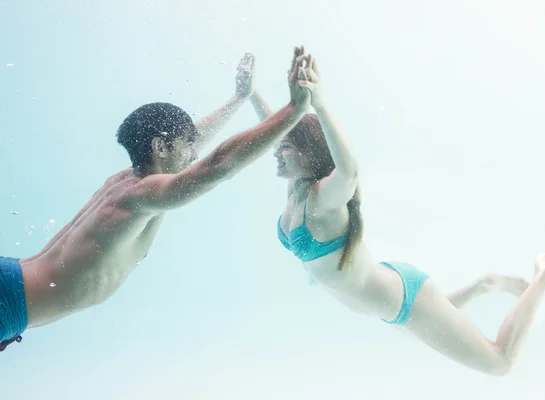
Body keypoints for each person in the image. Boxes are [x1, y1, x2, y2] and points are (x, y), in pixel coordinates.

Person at [256, 53, 545, 376]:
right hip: (389, 301)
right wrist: (251, 94)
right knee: (437, 318)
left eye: (286, 147)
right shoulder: (297, 187)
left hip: (404, 302)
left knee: (499, 362)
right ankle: (481, 285)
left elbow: (351, 171)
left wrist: (321, 105)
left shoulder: (324, 199)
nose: (277, 152)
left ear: (308, 152)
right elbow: (277, 133)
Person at [0, 46, 312, 352]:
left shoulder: (126, 182)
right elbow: (218, 166)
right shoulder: (141, 194)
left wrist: (239, 98)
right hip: (7, 301)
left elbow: (194, 147)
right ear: (160, 149)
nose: (193, 153)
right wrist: (293, 111)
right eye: (186, 144)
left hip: (11, 291)